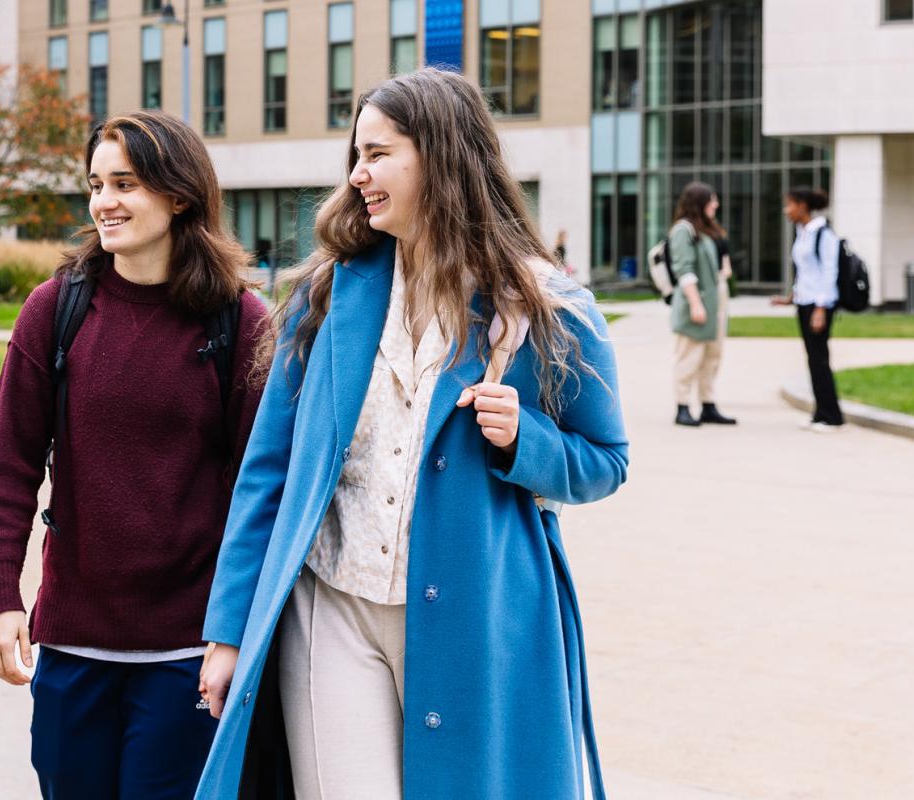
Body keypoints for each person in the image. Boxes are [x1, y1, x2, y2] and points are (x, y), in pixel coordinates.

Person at [196, 68, 628, 800]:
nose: (359, 175)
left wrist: (528, 441)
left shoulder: (547, 306)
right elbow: (267, 472)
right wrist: (229, 628)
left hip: (476, 623)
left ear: (441, 154)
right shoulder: (327, 295)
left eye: (378, 153)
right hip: (330, 607)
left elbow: (605, 461)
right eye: (355, 157)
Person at [0, 110, 269, 799]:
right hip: (75, 647)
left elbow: (260, 490)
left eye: (126, 183)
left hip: (187, 653)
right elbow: (9, 463)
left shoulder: (239, 321)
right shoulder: (55, 309)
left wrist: (233, 634)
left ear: (179, 193)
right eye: (97, 184)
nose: (104, 202)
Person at [772, 187, 843, 431]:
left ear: (802, 206)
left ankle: (832, 416)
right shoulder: (803, 232)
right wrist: (791, 298)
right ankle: (820, 413)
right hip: (805, 303)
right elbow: (805, 273)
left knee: (820, 359)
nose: (786, 210)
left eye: (789, 204)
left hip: (818, 305)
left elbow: (829, 273)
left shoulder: (824, 234)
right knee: (813, 359)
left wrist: (821, 308)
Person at [667, 182, 736, 427]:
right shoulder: (683, 231)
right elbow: (684, 270)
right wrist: (696, 304)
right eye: (712, 200)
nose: (716, 204)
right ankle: (682, 406)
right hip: (694, 299)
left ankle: (708, 404)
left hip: (715, 297)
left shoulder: (707, 229)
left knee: (713, 354)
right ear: (700, 202)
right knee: (689, 354)